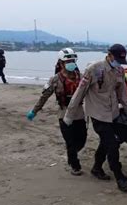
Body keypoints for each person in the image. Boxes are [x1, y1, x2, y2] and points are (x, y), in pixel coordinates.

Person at [63, 44, 127, 193]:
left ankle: (97, 168)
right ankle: (120, 177)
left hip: (113, 113)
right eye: (116, 59)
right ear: (109, 55)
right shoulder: (94, 69)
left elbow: (123, 95)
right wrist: (69, 115)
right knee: (112, 144)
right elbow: (80, 92)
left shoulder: (119, 70)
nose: (118, 62)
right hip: (98, 113)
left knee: (107, 141)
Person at [26, 48, 87, 176]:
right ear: (61, 63)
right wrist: (34, 111)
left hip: (79, 113)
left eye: (72, 60)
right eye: (68, 61)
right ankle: (75, 165)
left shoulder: (81, 78)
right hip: (64, 113)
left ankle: (72, 154)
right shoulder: (55, 80)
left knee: (81, 140)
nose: (71, 63)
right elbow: (44, 96)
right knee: (70, 141)